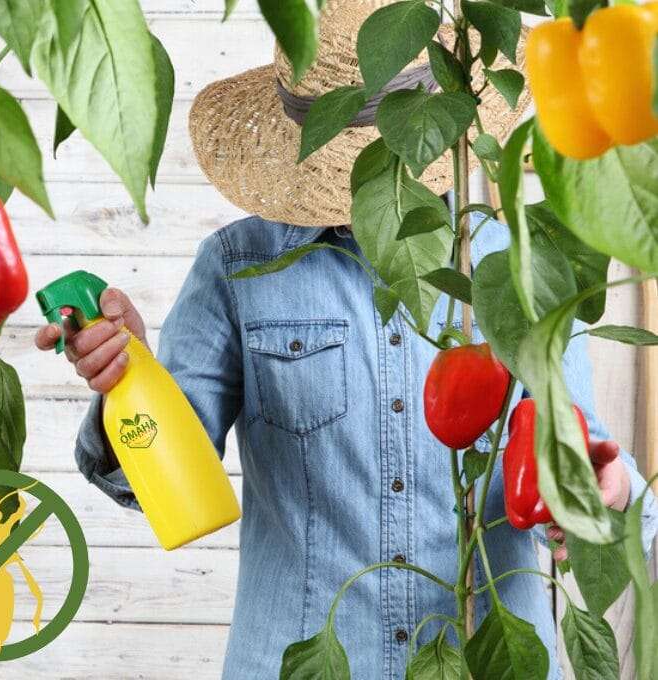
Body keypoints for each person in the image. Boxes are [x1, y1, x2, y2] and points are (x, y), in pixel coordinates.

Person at [34, 4, 658, 678]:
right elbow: (156, 485)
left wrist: (609, 488)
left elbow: (576, 461)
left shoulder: (517, 266)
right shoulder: (239, 267)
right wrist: (126, 380)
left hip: (484, 657)